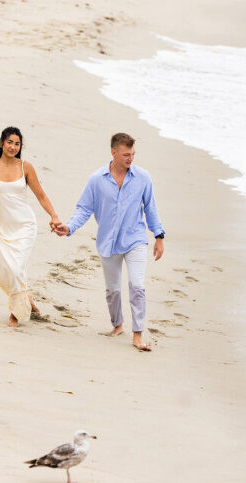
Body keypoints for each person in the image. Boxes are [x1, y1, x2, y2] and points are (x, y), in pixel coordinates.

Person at [53, 133, 164, 351]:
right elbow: (84, 208)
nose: (130, 158)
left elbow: (151, 208)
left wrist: (159, 237)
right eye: (126, 155)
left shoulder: (143, 178)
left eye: (132, 154)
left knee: (137, 285)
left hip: (135, 240)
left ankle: (138, 334)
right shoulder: (97, 179)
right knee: (113, 290)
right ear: (113, 153)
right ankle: (118, 325)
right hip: (108, 242)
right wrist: (69, 227)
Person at [0, 126, 62, 327]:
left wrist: (54, 215)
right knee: (10, 269)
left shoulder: (26, 167)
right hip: (2, 227)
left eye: (17, 144)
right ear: (1, 143)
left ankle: (16, 314)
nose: (13, 147)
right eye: (9, 142)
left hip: (24, 225)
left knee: (16, 267)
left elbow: (40, 195)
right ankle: (27, 299)